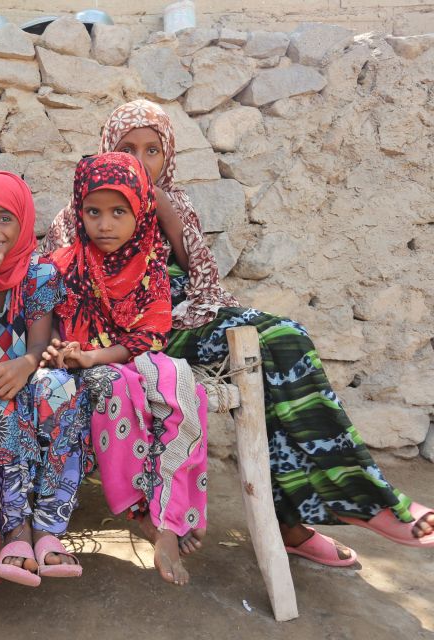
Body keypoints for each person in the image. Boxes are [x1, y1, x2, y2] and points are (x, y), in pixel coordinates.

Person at [45, 99, 434, 566]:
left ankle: (352, 502)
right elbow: (65, 290)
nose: (140, 162)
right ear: (108, 147)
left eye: (153, 151)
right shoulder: (79, 210)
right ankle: (318, 517)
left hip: (187, 318)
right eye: (128, 148)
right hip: (129, 338)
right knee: (271, 363)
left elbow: (205, 281)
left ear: (168, 156)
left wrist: (161, 208)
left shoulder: (175, 202)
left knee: (285, 341)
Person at [42, 152, 209, 585]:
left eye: (119, 212)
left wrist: (97, 354)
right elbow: (45, 330)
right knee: (113, 388)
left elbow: (151, 335)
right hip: (83, 373)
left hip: (120, 360)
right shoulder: (62, 266)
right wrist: (66, 352)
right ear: (78, 211)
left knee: (185, 389)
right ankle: (146, 517)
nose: (105, 224)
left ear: (141, 210)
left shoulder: (151, 266)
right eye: (93, 212)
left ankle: (172, 510)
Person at [0, 171, 85, 587]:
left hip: (26, 368)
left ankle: (49, 527)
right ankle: (15, 529)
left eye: (5, 218)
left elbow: (38, 347)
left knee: (61, 387)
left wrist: (26, 365)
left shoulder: (40, 274)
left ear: (25, 223)